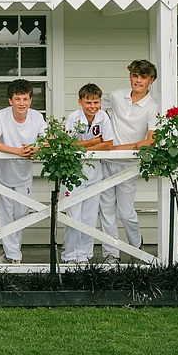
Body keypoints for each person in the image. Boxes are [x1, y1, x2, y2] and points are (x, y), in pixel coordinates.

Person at [99, 60, 158, 264]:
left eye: (143, 77)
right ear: (130, 76)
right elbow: (97, 108)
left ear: (151, 80)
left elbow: (150, 141)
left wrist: (119, 148)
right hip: (106, 161)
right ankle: (111, 255)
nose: (138, 80)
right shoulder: (117, 96)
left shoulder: (152, 106)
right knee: (106, 210)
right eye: (135, 75)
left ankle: (137, 250)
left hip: (129, 165)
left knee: (125, 212)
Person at [0, 79, 47, 264]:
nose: (21, 103)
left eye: (25, 99)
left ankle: (10, 251)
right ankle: (13, 256)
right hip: (4, 173)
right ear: (10, 100)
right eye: (17, 99)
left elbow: (47, 140)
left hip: (24, 174)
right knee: (6, 214)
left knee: (21, 214)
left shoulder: (37, 117)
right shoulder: (1, 116)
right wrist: (18, 152)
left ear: (30, 100)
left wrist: (34, 149)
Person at [62, 83, 114, 264]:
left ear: (100, 102)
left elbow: (108, 144)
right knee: (73, 217)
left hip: (94, 175)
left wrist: (86, 144)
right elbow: (67, 145)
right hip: (73, 175)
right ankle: (70, 256)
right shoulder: (73, 117)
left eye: (96, 102)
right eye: (88, 102)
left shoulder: (103, 117)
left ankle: (84, 256)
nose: (92, 106)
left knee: (89, 218)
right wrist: (93, 141)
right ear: (80, 102)